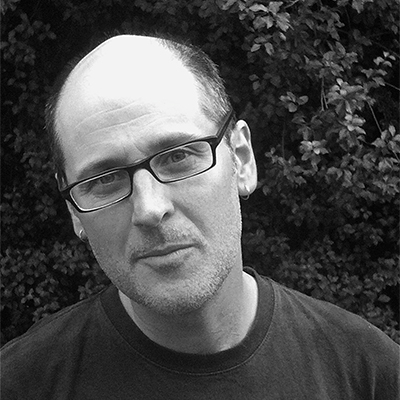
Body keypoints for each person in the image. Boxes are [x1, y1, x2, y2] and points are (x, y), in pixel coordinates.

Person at [1, 34, 399, 400]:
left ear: (241, 159)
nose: (150, 209)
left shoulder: (369, 374)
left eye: (178, 156)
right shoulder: (20, 385)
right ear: (73, 208)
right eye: (104, 180)